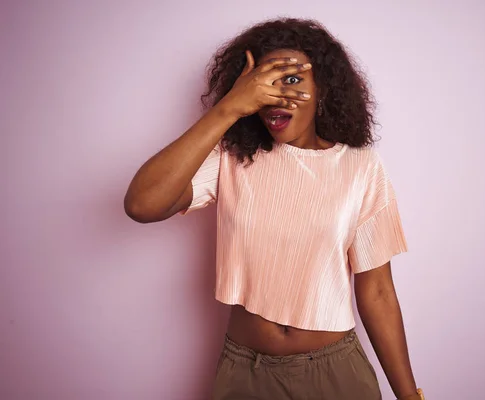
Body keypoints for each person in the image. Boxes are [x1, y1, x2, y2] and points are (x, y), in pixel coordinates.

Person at [124, 17, 424, 400]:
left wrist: (409, 395)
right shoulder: (233, 159)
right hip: (245, 375)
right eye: (263, 82)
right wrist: (228, 108)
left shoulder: (360, 166)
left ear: (324, 89)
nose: (276, 95)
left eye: (293, 79)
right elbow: (142, 204)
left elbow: (378, 290)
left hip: (335, 374)